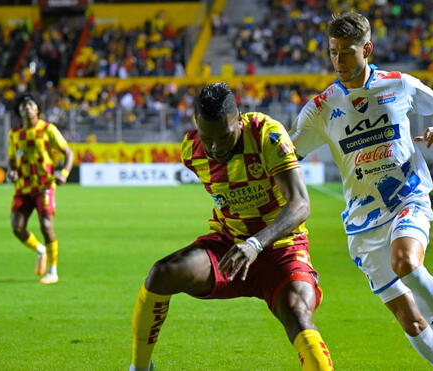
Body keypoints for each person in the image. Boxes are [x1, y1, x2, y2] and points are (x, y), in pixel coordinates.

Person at [290, 12, 433, 371]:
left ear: (367, 49)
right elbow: (289, 157)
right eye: (333, 52)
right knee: (411, 320)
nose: (338, 61)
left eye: (346, 52)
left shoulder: (399, 84)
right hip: (362, 219)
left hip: (408, 195)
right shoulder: (320, 108)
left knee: (405, 262)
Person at [129, 83, 333, 371]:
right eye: (206, 137)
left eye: (223, 137)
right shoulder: (192, 151)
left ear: (239, 118)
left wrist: (254, 244)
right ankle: (140, 367)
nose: (215, 147)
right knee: (162, 274)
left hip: (282, 247)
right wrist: (242, 243)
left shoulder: (266, 134)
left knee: (298, 313)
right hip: (229, 246)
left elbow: (300, 204)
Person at [8, 93, 73, 285]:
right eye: (23, 106)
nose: (27, 108)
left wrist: (64, 173)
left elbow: (68, 152)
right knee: (17, 228)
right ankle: (40, 249)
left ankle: (53, 271)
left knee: (46, 226)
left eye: (31, 104)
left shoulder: (47, 129)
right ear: (19, 111)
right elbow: (12, 160)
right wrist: (11, 172)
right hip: (23, 187)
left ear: (37, 109)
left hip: (44, 185)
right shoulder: (14, 134)